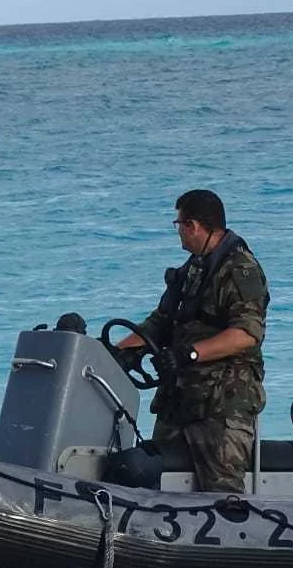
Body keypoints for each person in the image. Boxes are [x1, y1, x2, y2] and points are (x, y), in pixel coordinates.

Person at [115, 190, 269, 493]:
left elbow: (247, 334)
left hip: (222, 404)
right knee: (155, 482)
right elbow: (160, 321)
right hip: (180, 401)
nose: (179, 233)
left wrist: (191, 354)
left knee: (222, 492)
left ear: (194, 226)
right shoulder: (192, 270)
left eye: (179, 225)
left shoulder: (240, 270)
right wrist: (119, 352)